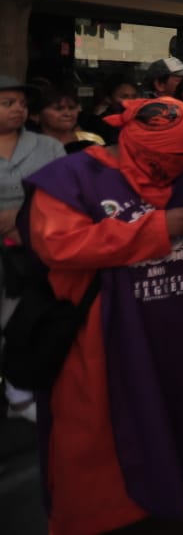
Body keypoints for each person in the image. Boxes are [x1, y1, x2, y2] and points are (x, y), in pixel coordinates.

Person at [21, 96, 183, 534]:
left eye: (179, 160)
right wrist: (157, 228)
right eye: (156, 160)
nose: (166, 171)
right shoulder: (69, 178)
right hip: (106, 337)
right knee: (101, 435)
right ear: (128, 137)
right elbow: (58, 246)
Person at [0, 75, 66, 422]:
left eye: (22, 104)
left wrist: (21, 219)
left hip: (33, 245)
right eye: (8, 103)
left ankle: (20, 387)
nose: (18, 110)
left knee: (26, 318)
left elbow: (57, 193)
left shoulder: (48, 147)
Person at [31, 82, 105, 152]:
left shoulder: (92, 140)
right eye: (59, 109)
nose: (68, 114)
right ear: (36, 115)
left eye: (72, 108)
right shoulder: (27, 144)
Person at [80, 73, 139, 145]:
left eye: (134, 96)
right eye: (124, 97)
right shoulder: (99, 122)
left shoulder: (141, 118)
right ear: (108, 98)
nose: (131, 101)